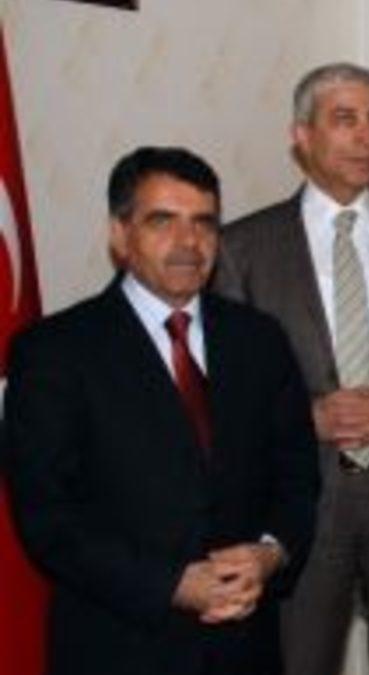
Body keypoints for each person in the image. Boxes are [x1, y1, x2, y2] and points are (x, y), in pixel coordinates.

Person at [4, 146, 319, 675]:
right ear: (120, 234)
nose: (188, 242)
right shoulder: (54, 351)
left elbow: (298, 476)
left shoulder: (259, 339)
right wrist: (169, 584)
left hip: (246, 647)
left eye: (204, 223)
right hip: (119, 646)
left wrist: (271, 553)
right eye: (162, 221)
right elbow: (47, 516)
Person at [212, 63, 369, 675]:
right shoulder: (243, 248)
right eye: (345, 119)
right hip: (299, 509)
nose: (366, 136)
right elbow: (223, 388)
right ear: (301, 136)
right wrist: (306, 419)